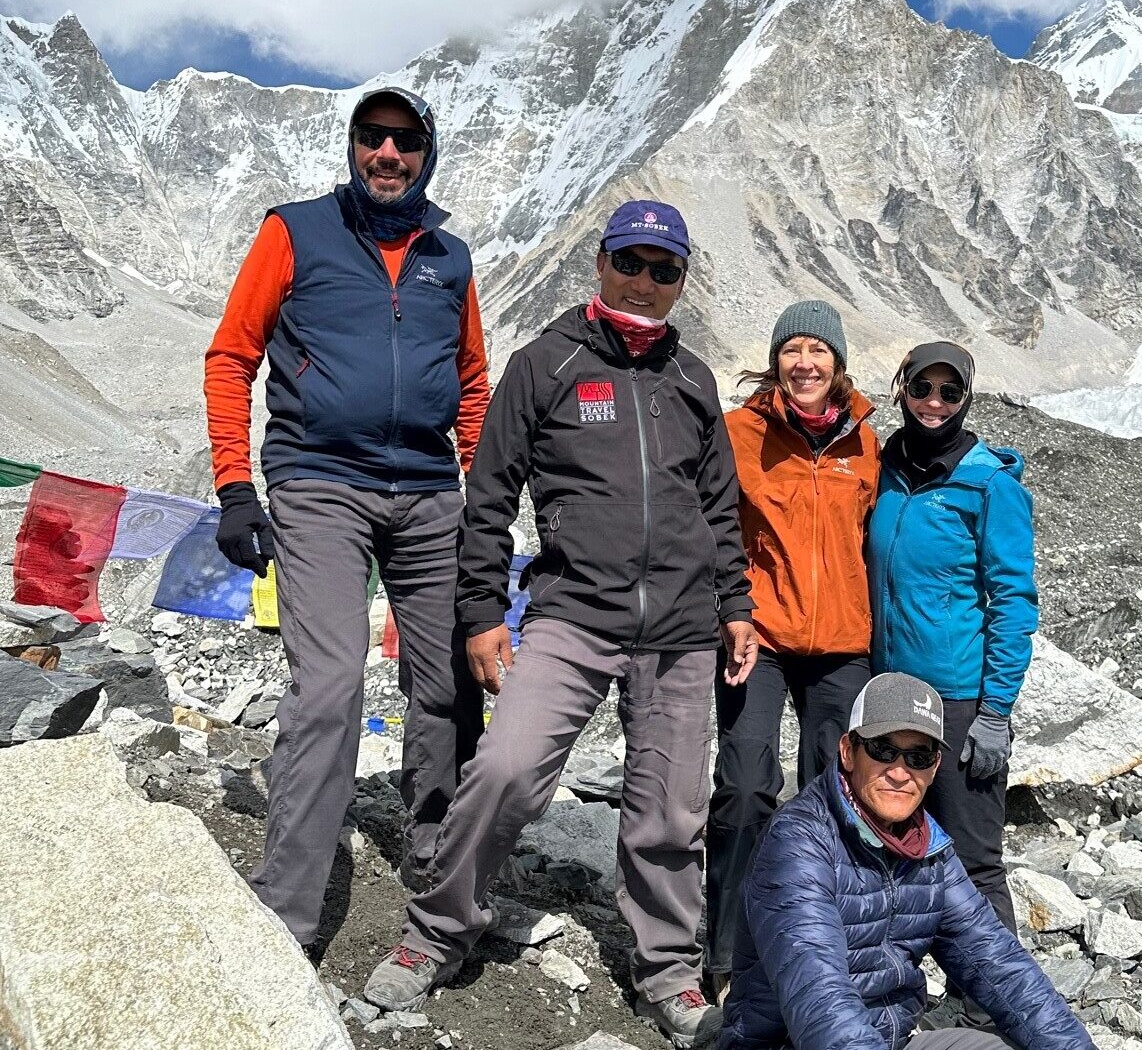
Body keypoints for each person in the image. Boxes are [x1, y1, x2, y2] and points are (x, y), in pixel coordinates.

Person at [363, 199, 757, 1049]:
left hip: (685, 627)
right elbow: (490, 497)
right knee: (506, 768)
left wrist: (736, 608)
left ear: (682, 281)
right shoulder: (545, 364)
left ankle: (668, 973)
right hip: (573, 612)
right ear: (601, 263)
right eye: (631, 262)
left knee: (669, 815)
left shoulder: (693, 381)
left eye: (665, 270)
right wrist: (479, 614)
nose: (646, 282)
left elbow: (721, 509)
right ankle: (436, 930)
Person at [203, 85, 489, 951]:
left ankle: (436, 857)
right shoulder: (294, 230)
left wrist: (486, 491)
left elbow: (472, 385)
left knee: (446, 686)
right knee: (330, 688)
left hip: (432, 490)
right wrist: (233, 487)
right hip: (318, 483)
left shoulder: (452, 257)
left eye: (405, 141)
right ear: (354, 146)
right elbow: (230, 357)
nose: (388, 154)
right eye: (373, 137)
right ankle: (285, 915)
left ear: (427, 153)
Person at [719, 673, 1091, 1050]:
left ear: (934, 767)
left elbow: (1000, 966)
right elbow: (819, 999)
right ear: (848, 751)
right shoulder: (798, 842)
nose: (899, 773)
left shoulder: (930, 848)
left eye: (918, 757)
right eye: (882, 750)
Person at [705, 300, 880, 994]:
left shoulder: (866, 441)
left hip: (841, 642)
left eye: (817, 351)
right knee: (746, 786)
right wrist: (730, 609)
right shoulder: (740, 432)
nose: (804, 363)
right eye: (791, 350)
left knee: (834, 795)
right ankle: (727, 953)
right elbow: (715, 525)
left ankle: (820, 949)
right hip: (762, 635)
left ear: (837, 364)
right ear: (775, 361)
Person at [865, 342, 1038, 1030]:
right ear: (901, 388)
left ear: (967, 400)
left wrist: (995, 711)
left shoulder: (989, 486)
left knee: (970, 859)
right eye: (922, 388)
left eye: (949, 393)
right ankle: (889, 991)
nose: (933, 403)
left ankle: (996, 1008)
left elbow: (1014, 600)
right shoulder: (886, 468)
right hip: (889, 694)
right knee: (888, 849)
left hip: (960, 700)